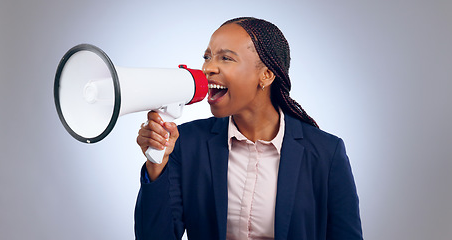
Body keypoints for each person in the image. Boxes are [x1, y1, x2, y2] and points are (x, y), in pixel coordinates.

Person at [135, 17, 363, 240]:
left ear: (266, 75)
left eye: (226, 58)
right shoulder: (186, 143)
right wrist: (157, 165)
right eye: (207, 57)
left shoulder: (326, 152)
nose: (207, 68)